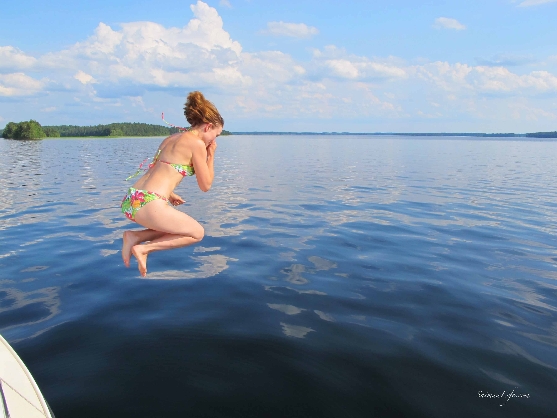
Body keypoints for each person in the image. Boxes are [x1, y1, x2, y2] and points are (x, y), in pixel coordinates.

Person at [120, 91, 223, 277]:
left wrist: (170, 194)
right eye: (216, 135)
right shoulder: (196, 144)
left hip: (132, 198)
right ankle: (143, 249)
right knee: (196, 233)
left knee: (175, 227)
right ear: (208, 127)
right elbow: (205, 185)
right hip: (149, 202)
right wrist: (211, 155)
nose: (214, 141)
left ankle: (135, 236)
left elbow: (157, 170)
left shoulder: (171, 138)